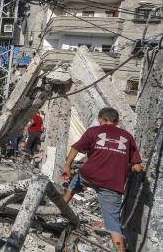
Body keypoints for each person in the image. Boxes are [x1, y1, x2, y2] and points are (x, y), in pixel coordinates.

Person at [61, 107, 143, 252]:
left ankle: (61, 210)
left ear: (100, 119)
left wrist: (67, 166)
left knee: (74, 183)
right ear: (117, 121)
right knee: (113, 224)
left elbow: (75, 147)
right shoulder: (128, 137)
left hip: (89, 175)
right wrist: (124, 166)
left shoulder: (93, 131)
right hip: (112, 184)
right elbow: (137, 168)